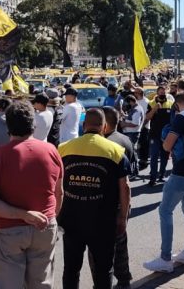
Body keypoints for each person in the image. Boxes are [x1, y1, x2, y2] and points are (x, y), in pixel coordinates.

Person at [0, 101, 64, 289]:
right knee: (41, 284)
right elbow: (59, 192)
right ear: (33, 125)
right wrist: (50, 218)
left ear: (8, 126)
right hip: (45, 225)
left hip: (8, 230)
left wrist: (24, 215)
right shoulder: (51, 151)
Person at [58, 109, 131, 289]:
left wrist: (56, 213)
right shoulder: (116, 151)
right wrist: (122, 216)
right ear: (104, 127)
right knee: (103, 270)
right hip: (102, 221)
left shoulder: (63, 148)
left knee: (71, 268)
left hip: (71, 219)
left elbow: (54, 184)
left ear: (84, 126)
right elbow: (125, 187)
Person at [143, 93, 184, 273]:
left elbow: (166, 145)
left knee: (165, 210)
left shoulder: (181, 117)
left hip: (181, 170)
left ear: (177, 105)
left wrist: (167, 141)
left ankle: (165, 258)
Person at [101, 106, 136, 289]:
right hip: (124, 201)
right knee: (121, 243)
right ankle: (124, 279)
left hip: (109, 202)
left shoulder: (106, 145)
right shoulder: (126, 140)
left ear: (104, 124)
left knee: (103, 250)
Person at [146, 85, 173, 186]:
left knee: (164, 157)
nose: (162, 93)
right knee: (154, 156)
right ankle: (153, 178)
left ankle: (161, 176)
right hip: (154, 135)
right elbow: (147, 118)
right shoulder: (151, 103)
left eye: (164, 91)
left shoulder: (170, 103)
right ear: (157, 93)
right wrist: (154, 109)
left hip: (166, 136)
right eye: (160, 91)